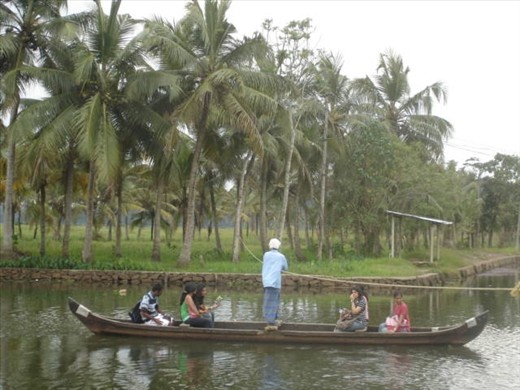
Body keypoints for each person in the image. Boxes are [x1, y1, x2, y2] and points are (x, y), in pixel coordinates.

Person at [262, 238, 288, 330]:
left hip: (266, 282)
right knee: (274, 301)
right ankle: (271, 321)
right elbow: (285, 268)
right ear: (278, 246)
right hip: (275, 282)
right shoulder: (281, 256)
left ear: (270, 245)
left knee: (269, 301)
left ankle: (273, 319)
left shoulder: (266, 255)